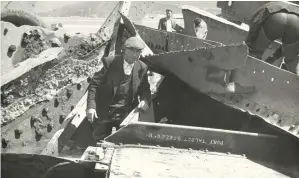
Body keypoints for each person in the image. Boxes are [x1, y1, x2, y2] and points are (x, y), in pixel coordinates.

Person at [86, 36, 151, 141]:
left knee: (126, 142)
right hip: (106, 111)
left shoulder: (142, 67)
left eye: (138, 52)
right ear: (124, 50)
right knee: (99, 141)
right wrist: (91, 107)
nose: (135, 55)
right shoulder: (109, 62)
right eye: (132, 51)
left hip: (126, 113)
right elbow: (94, 85)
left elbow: (145, 89)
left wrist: (145, 100)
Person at [245, 1, 299, 74]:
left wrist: (248, 43)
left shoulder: (260, 11)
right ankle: (295, 80)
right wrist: (274, 57)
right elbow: (287, 45)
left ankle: (248, 74)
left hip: (275, 18)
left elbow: (254, 25)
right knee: (291, 61)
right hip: (296, 21)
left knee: (255, 52)